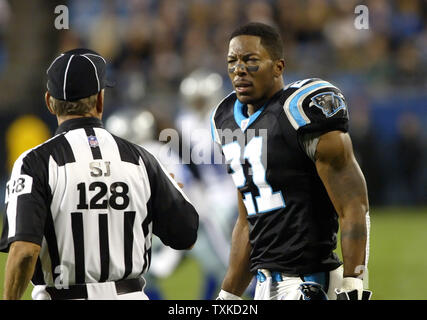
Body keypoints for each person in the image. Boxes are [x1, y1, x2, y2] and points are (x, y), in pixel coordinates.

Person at [0, 48, 199, 300]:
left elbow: (25, 251)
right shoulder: (141, 160)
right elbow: (186, 235)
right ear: (100, 100)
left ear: (50, 102)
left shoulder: (35, 163)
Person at [210, 22, 372, 300]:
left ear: (278, 67)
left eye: (250, 60)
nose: (239, 70)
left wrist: (354, 280)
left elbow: (353, 205)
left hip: (310, 284)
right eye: (232, 61)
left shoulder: (301, 110)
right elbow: (248, 220)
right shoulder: (225, 119)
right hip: (263, 285)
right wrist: (229, 295)